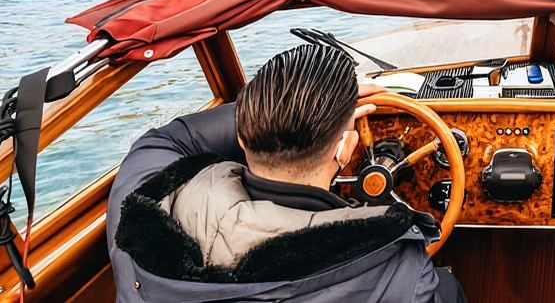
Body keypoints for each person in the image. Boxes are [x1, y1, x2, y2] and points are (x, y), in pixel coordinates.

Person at [107, 43, 466, 302]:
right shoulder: (403, 276)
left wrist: (278, 111)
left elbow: (172, 137)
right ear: (345, 149)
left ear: (241, 137)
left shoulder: (144, 209)